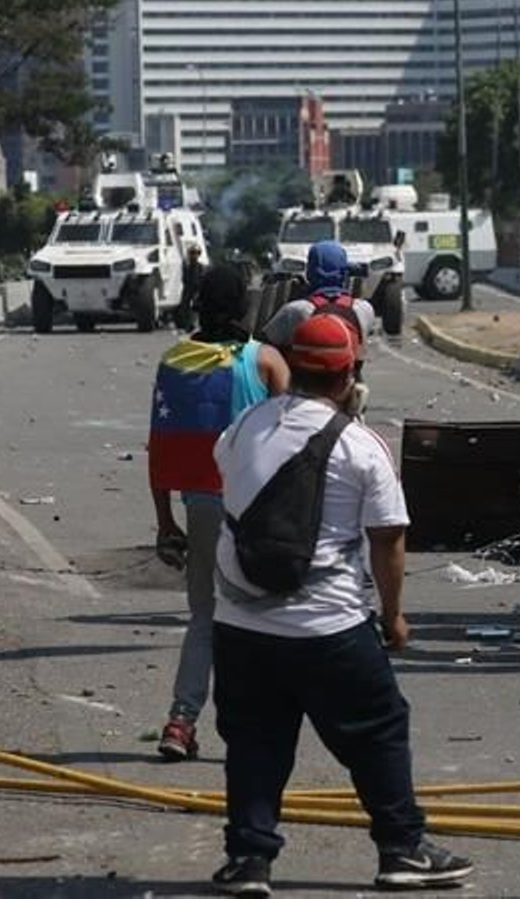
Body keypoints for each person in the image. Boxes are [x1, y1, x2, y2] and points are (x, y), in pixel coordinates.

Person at [209, 315, 473, 894]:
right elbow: (388, 540)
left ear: (292, 365)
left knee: (254, 739)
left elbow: (229, 480)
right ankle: (402, 848)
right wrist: (394, 615)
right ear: (349, 374)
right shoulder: (360, 445)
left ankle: (249, 861)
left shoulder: (243, 427)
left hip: (240, 625)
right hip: (328, 627)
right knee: (378, 730)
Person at [147, 265, 290, 763]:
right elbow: (293, 438)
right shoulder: (266, 361)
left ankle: (181, 721)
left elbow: (159, 448)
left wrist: (166, 522)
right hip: (255, 511)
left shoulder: (174, 360)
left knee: (204, 617)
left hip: (201, 507)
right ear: (245, 305)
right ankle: (256, 727)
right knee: (265, 617)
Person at [263, 240, 376, 415]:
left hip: (300, 405)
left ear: (310, 272)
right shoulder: (364, 310)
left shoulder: (296, 310)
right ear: (345, 272)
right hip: (349, 403)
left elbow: (264, 347)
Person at [175, 241, 206, 332]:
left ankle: (195, 324)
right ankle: (187, 324)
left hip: (198, 289)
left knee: (197, 308)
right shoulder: (186, 266)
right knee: (184, 307)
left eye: (196, 253)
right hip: (188, 288)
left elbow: (203, 279)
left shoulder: (201, 267)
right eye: (192, 253)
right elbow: (183, 278)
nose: (194, 255)